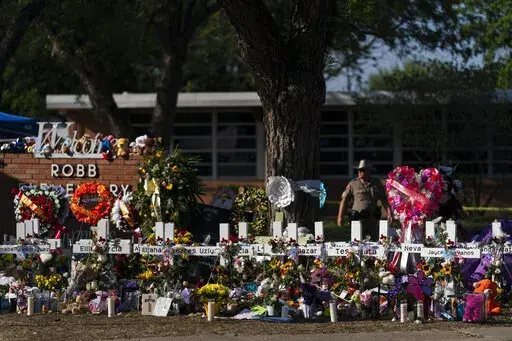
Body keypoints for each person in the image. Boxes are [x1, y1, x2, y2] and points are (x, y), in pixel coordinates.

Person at [337, 159, 392, 240]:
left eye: (362, 170)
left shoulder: (377, 183)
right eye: (358, 170)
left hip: (373, 219)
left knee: (375, 241)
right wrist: (340, 217)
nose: (359, 172)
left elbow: (384, 200)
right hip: (357, 219)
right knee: (357, 242)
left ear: (369, 171)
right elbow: (344, 201)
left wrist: (389, 212)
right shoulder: (353, 184)